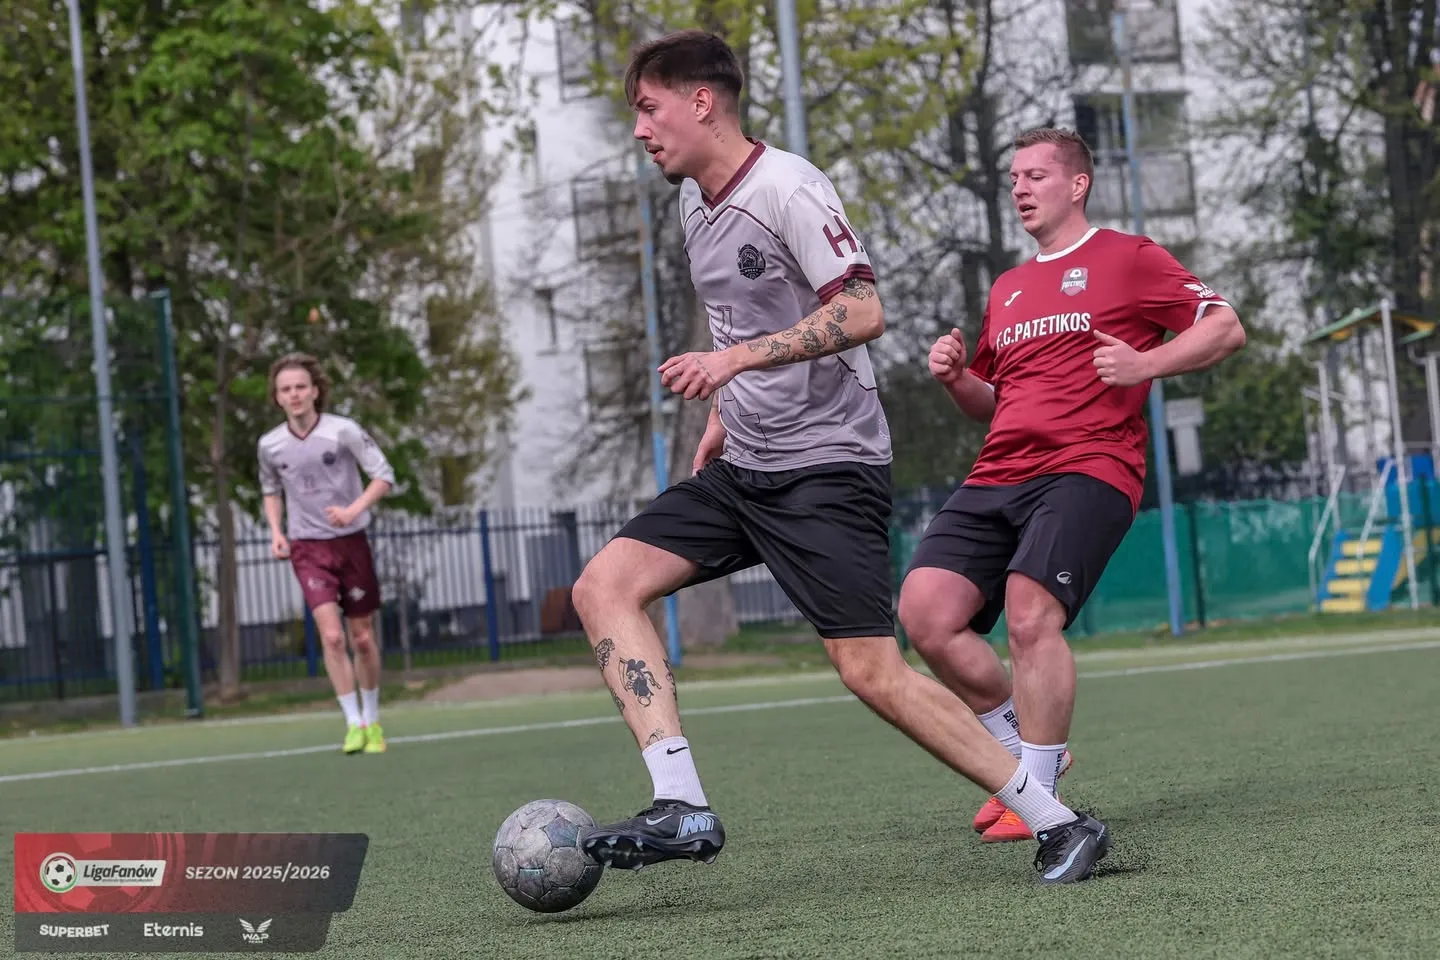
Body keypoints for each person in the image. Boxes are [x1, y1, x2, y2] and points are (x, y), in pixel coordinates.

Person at [571, 32, 1109, 886]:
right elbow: (740, 314)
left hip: (828, 467)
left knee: (871, 671)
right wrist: (723, 410)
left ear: (701, 102)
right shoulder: (693, 205)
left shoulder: (788, 187)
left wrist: (732, 364)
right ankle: (681, 803)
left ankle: (1060, 823)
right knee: (602, 585)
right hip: (745, 467)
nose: (639, 129)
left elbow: (862, 311)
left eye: (648, 107)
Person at [897, 128, 1247, 844]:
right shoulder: (1009, 287)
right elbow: (992, 401)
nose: (1020, 189)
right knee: (924, 612)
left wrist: (1147, 366)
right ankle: (1027, 760)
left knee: (1029, 616)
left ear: (1077, 184)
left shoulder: (1128, 256)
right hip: (999, 472)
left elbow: (1225, 326)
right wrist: (957, 378)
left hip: (1090, 466)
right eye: (1013, 178)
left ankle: (1037, 796)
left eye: (1035, 175)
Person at [258, 353, 397, 755]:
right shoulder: (269, 445)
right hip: (307, 547)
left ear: (315, 391)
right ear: (277, 397)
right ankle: (353, 723)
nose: (294, 395)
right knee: (332, 637)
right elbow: (270, 490)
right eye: (286, 389)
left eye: (300, 387)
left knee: (363, 638)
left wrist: (353, 510)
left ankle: (372, 720)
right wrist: (276, 532)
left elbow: (383, 475)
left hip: (351, 542)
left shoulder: (343, 431)